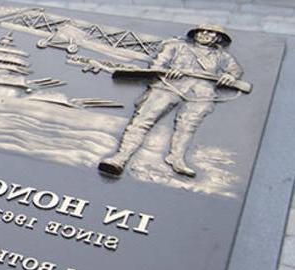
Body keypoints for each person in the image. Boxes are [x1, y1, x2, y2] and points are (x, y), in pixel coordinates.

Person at [98, 24, 243, 177]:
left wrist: (230, 77)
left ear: (218, 38)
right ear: (195, 34)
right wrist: (168, 71)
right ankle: (121, 158)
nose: (205, 34)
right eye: (202, 31)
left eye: (211, 32)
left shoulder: (223, 57)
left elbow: (235, 71)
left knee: (187, 127)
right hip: (168, 86)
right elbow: (157, 65)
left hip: (200, 93)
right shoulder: (176, 46)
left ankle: (176, 158)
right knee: (142, 121)